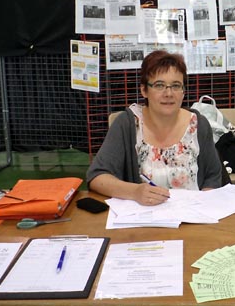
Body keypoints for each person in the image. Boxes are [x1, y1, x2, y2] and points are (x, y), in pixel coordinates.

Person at [87, 50, 223, 206]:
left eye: (176, 86)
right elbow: (97, 176)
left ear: (183, 91)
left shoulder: (198, 124)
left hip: (192, 219)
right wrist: (134, 192)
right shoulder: (128, 124)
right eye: (159, 85)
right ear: (144, 90)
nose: (169, 93)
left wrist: (204, 207)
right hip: (143, 222)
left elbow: (213, 177)